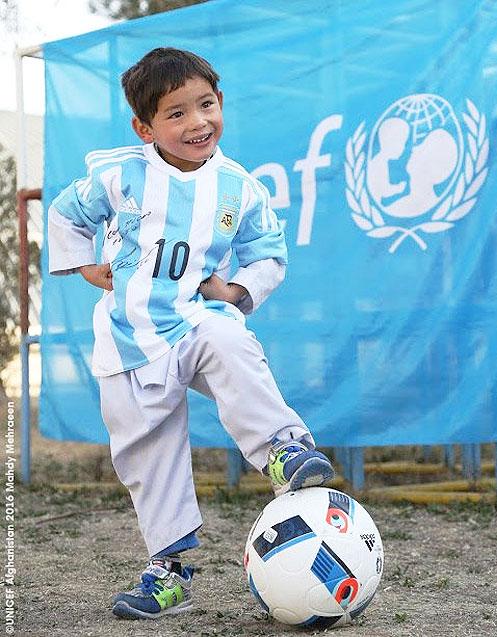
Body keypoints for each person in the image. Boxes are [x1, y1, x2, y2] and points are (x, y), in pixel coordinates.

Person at [47, 47, 334, 620]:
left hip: (195, 322)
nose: (196, 122)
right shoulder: (119, 176)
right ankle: (169, 572)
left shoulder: (239, 187)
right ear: (145, 126)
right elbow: (64, 213)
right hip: (127, 341)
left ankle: (282, 448)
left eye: (205, 105)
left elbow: (269, 253)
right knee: (146, 457)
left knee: (231, 342)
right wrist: (84, 266)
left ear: (220, 103)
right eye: (176, 113)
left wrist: (237, 292)